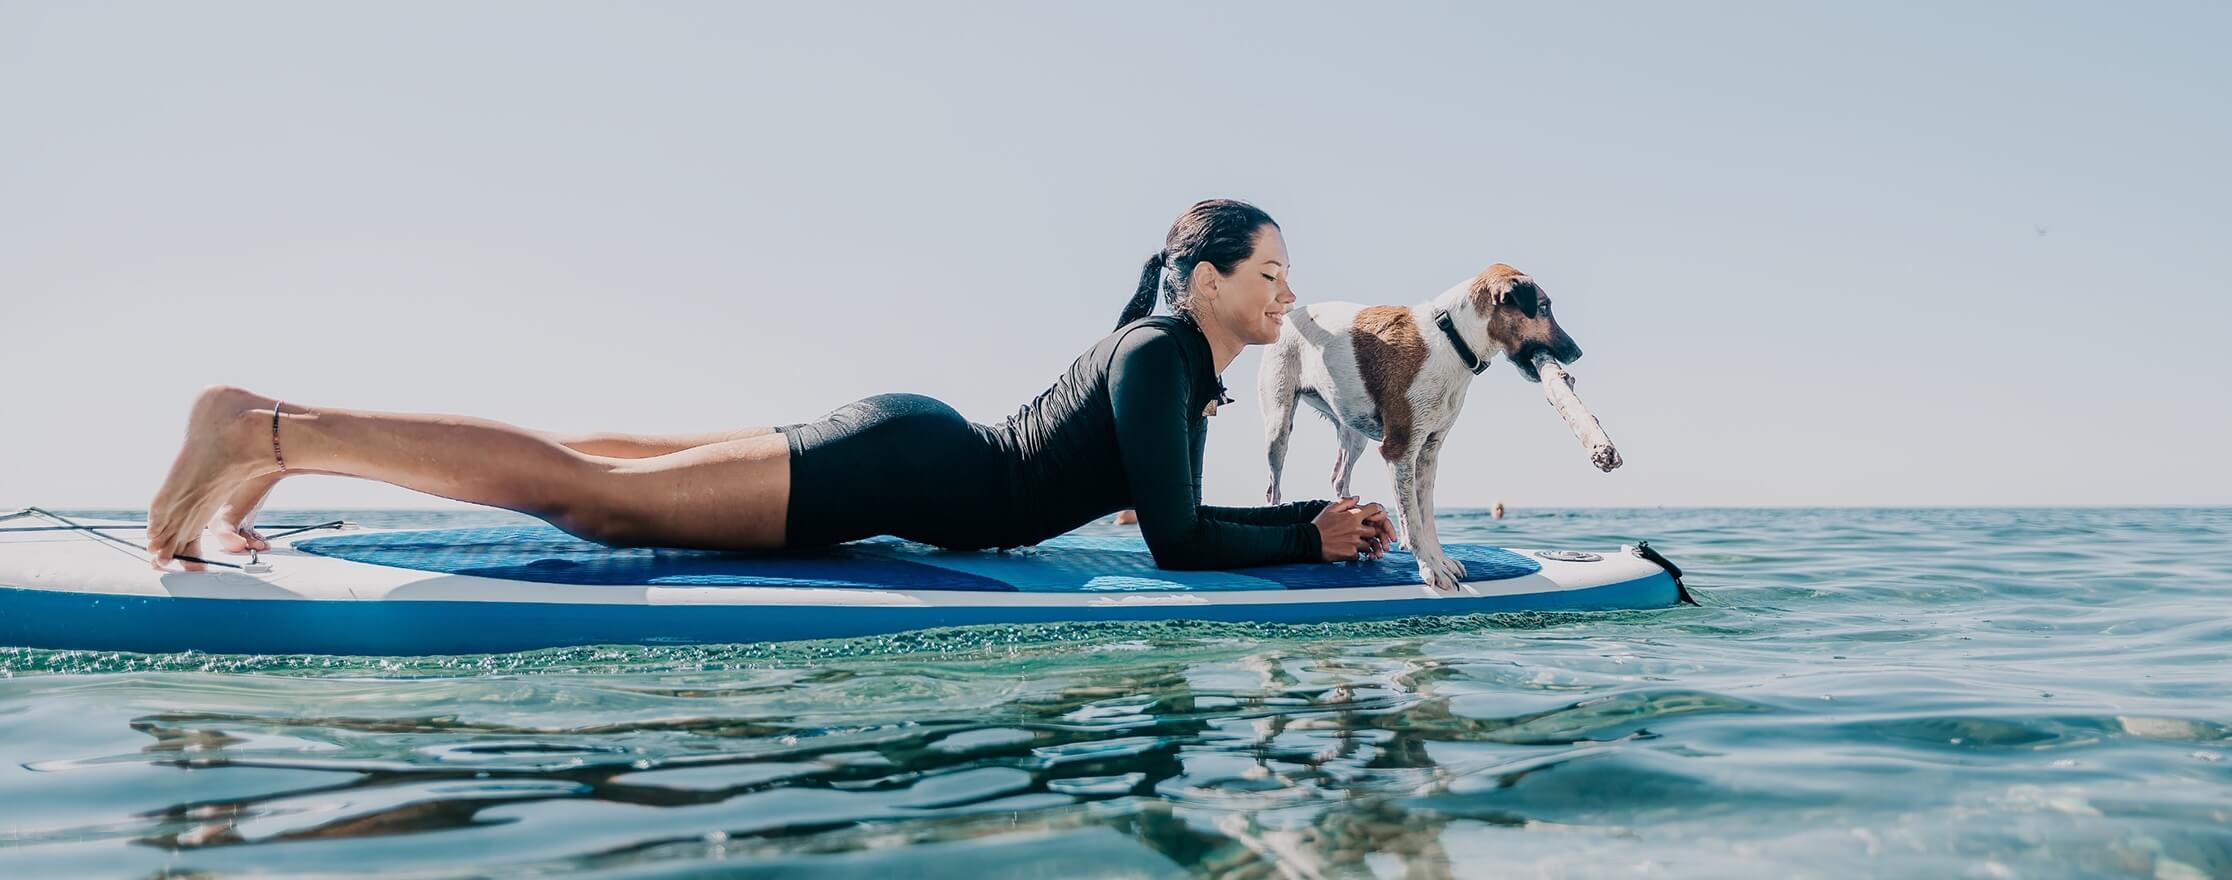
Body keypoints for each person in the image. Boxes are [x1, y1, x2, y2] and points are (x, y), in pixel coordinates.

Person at [145, 199, 1397, 571]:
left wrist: (1292, 522)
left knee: (615, 458)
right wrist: (1308, 532)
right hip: (909, 464)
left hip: (914, 452)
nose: (1288, 291)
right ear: (1202, 278)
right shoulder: (1164, 353)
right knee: (601, 497)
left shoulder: (1163, 362)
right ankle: (262, 425)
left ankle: (278, 446)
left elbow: (1146, 502)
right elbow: (1177, 540)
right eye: (1269, 270)